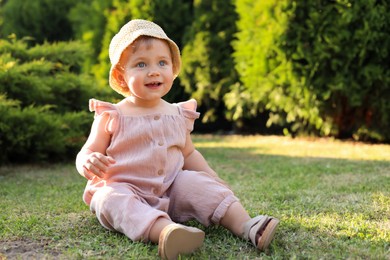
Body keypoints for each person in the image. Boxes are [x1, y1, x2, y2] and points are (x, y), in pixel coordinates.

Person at [75, 19, 279, 259]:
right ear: (121, 77)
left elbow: (188, 154)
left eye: (162, 62)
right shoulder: (112, 115)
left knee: (197, 184)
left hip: (171, 188)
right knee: (108, 198)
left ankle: (247, 226)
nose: (154, 71)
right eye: (141, 64)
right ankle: (167, 232)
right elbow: (86, 151)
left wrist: (211, 177)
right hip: (125, 188)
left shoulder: (177, 114)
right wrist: (88, 161)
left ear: (173, 68)